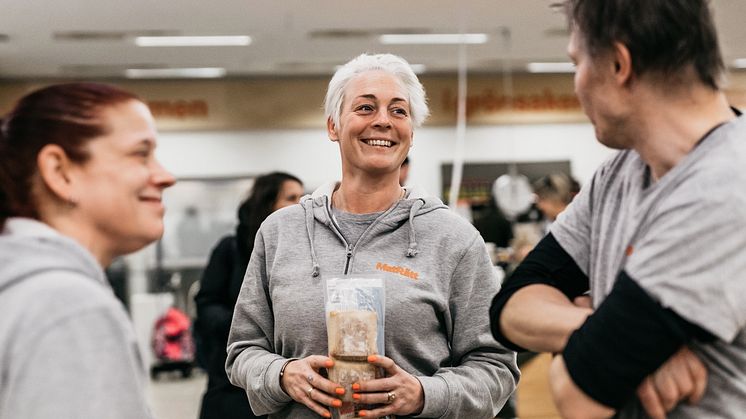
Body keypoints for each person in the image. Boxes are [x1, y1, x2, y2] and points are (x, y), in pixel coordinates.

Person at [489, 1, 746, 418]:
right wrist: (602, 331)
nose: (577, 84)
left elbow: (578, 395)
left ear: (618, 64)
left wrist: (587, 338)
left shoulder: (727, 185)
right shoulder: (618, 173)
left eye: (577, 63)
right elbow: (511, 307)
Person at [226, 53, 518, 419]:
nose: (382, 121)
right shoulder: (279, 232)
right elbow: (243, 352)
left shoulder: (454, 240)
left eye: (399, 111)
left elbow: (496, 367)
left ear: (411, 132)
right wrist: (283, 375)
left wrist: (424, 394)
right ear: (333, 125)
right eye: (365, 108)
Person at [0, 82, 175, 418]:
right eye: (141, 154)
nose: (166, 176)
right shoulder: (67, 305)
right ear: (60, 172)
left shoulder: (21, 289)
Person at [195, 171, 303, 419]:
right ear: (268, 203)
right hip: (232, 383)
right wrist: (250, 323)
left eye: (301, 196)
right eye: (291, 197)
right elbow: (206, 305)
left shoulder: (300, 252)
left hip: (282, 382)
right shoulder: (230, 248)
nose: (300, 204)